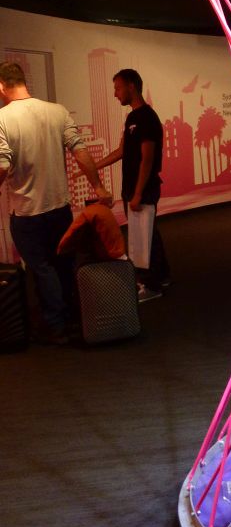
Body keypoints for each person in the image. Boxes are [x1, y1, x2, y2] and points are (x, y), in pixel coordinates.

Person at [0, 60, 113, 344]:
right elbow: (81, 151)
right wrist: (99, 186)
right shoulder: (57, 111)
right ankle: (76, 317)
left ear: (2, 86)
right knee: (63, 262)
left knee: (41, 267)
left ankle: (57, 324)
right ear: (25, 81)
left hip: (26, 212)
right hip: (59, 207)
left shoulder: (1, 119)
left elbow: (2, 166)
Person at [94, 68, 170, 302]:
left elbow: (147, 158)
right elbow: (122, 150)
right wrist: (94, 166)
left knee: (140, 238)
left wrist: (137, 194)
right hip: (134, 189)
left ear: (131, 87)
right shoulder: (132, 118)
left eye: (117, 88)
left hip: (143, 190)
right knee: (149, 235)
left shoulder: (146, 117)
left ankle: (150, 285)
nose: (115, 94)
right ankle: (162, 275)